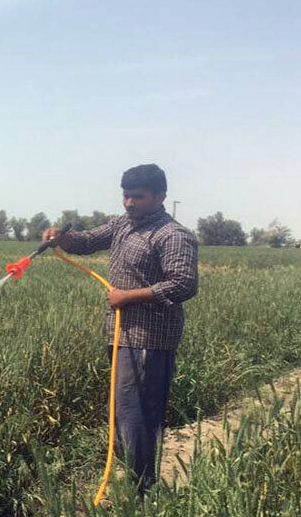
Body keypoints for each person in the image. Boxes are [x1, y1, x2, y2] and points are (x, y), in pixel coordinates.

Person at [42, 164, 199, 494]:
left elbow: (183, 284)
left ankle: (142, 491)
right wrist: (62, 237)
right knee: (122, 411)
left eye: (137, 197)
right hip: (120, 333)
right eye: (126, 196)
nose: (129, 203)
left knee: (137, 414)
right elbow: (85, 241)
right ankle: (133, 478)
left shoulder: (173, 235)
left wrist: (128, 296)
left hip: (149, 340)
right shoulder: (122, 225)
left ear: (160, 197)